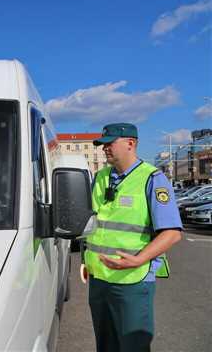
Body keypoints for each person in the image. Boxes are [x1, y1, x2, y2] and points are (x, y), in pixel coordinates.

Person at [85, 123, 182, 352]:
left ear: (130, 143)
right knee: (106, 345)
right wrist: (85, 261)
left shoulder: (152, 178)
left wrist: (138, 260)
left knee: (132, 346)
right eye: (103, 144)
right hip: (99, 279)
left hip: (133, 281)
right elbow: (93, 224)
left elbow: (171, 233)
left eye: (111, 143)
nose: (105, 148)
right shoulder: (100, 177)